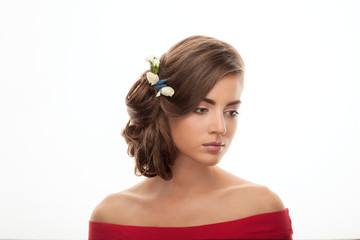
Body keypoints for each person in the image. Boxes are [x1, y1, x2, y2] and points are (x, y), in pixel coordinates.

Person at [89, 35, 293, 239]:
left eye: (231, 112)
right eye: (201, 109)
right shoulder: (111, 217)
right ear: (166, 108)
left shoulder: (262, 208)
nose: (220, 128)